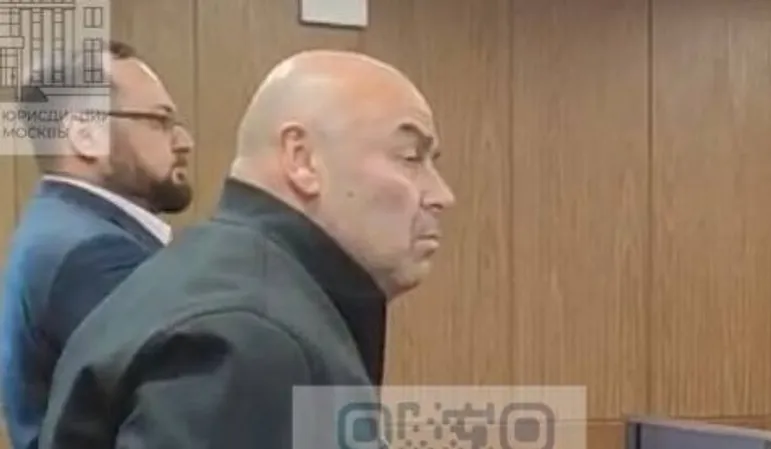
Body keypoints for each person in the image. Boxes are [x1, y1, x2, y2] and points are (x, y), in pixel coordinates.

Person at [37, 49, 455, 449]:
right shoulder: (250, 338)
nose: (441, 195)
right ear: (302, 160)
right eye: (409, 157)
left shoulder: (221, 282)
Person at [0, 40, 194, 449]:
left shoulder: (58, 225)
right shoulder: (93, 256)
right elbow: (183, 412)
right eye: (160, 121)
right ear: (86, 135)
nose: (184, 141)